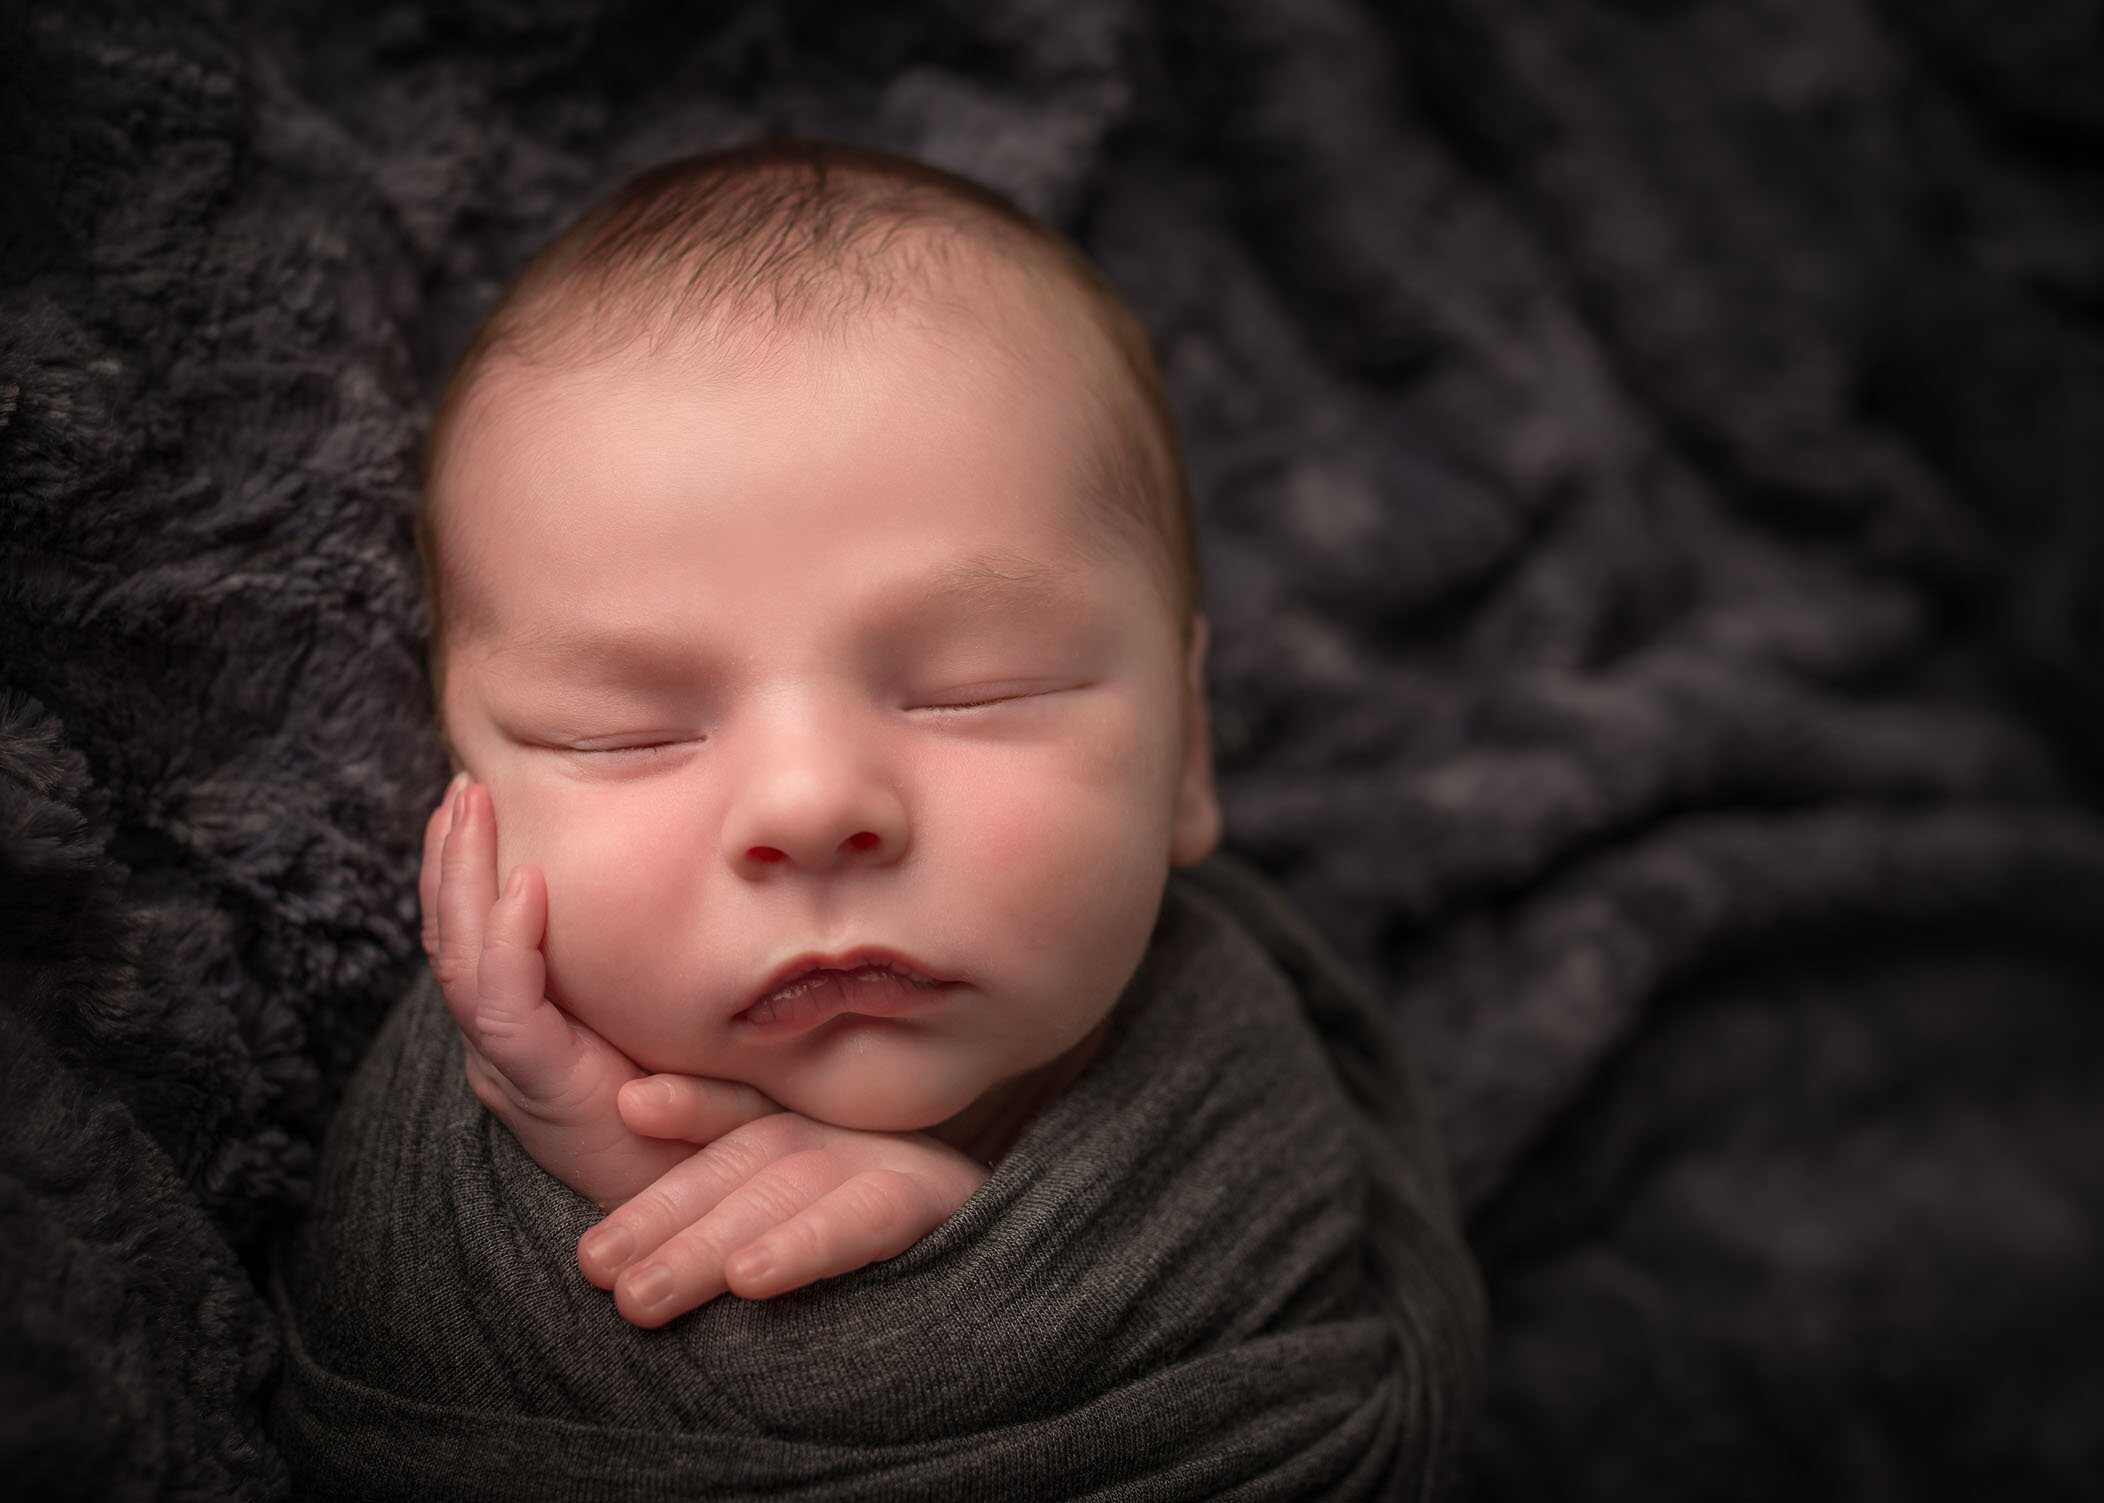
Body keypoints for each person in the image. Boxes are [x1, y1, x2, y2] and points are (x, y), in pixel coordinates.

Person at [275, 137, 1482, 1500]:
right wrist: (608, 1171)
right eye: (626, 733)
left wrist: (959, 1267)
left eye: (979, 691)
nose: (811, 804)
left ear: (1189, 749)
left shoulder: (1248, 1103)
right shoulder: (435, 1186)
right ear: (462, 797)